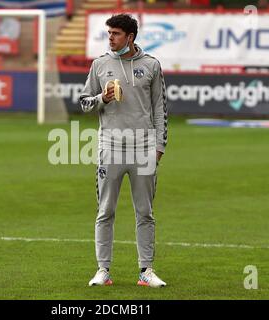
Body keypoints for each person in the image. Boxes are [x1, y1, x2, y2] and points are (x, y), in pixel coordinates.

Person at [79, 14, 168, 288]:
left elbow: (160, 109)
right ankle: (103, 270)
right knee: (105, 210)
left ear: (130, 37)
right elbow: (83, 103)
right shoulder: (99, 65)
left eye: (116, 33)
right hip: (110, 147)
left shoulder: (151, 65)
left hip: (143, 149)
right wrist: (100, 98)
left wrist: (160, 145)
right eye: (109, 33)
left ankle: (146, 271)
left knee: (145, 212)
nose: (110, 38)